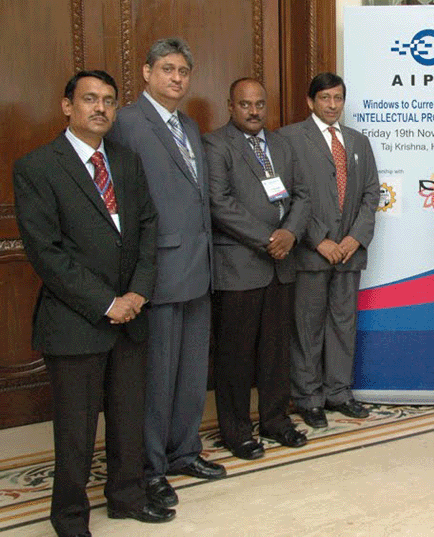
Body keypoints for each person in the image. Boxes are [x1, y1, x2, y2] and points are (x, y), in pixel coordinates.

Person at [13, 70, 174, 536]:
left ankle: (127, 497)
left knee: (127, 419)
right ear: (68, 106)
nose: (100, 108)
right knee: (76, 431)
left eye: (108, 100)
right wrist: (107, 303)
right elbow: (46, 253)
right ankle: (69, 519)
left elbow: (147, 227)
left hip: (131, 315)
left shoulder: (126, 161)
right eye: (89, 99)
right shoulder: (37, 167)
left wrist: (138, 292)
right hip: (76, 321)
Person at [108, 37, 225, 510]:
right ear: (147, 73)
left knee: (191, 373)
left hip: (199, 267)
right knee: (156, 377)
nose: (177, 78)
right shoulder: (126, 123)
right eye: (168, 69)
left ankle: (184, 451)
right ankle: (150, 467)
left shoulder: (189, 125)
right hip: (157, 270)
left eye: (183, 71)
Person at [203, 78, 310, 459]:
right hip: (240, 266)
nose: (253, 111)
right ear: (230, 106)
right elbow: (219, 202)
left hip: (282, 264)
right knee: (235, 356)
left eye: (259, 104)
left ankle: (275, 420)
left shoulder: (281, 144)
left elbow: (302, 195)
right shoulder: (215, 145)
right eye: (245, 104)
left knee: (276, 352)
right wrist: (268, 239)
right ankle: (236, 431)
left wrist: (290, 234)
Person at [277, 72, 379, 429]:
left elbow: (371, 193)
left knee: (343, 325)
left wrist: (355, 238)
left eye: (338, 98)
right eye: (325, 98)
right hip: (311, 253)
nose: (332, 105)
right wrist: (318, 239)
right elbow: (285, 195)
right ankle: (308, 398)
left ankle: (339, 392)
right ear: (310, 101)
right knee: (307, 329)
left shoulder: (358, 141)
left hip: (349, 253)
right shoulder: (289, 138)